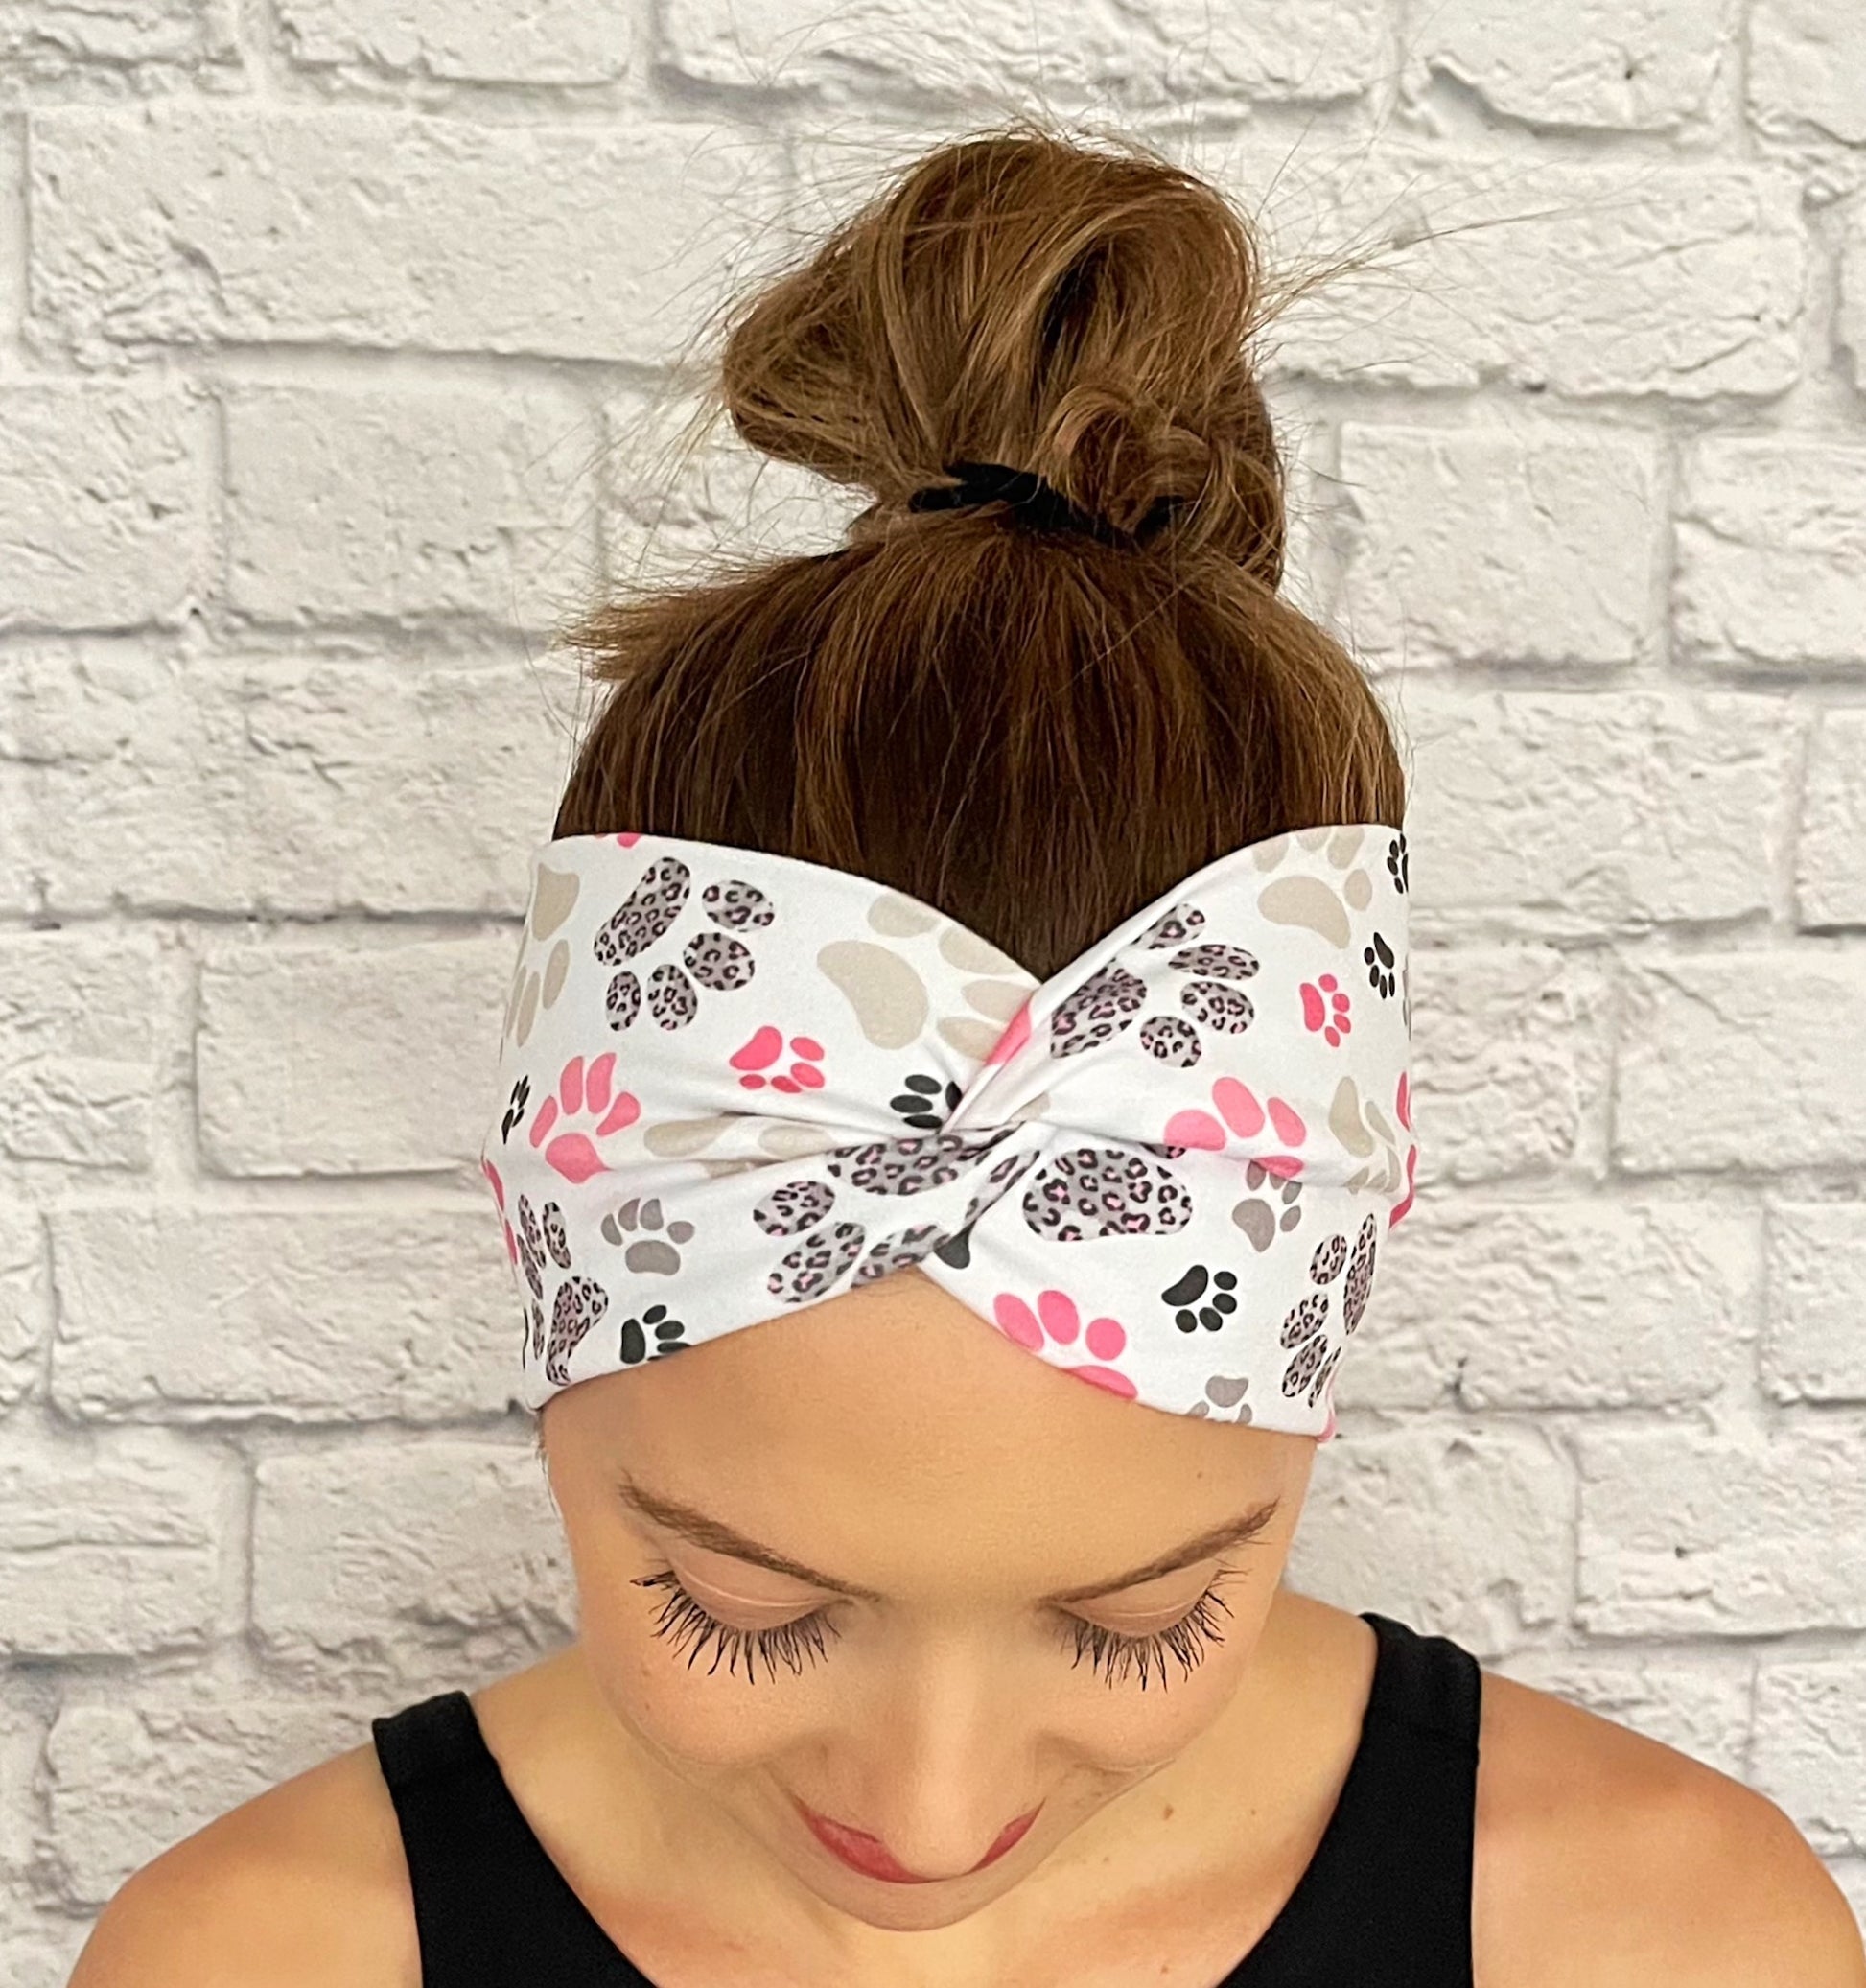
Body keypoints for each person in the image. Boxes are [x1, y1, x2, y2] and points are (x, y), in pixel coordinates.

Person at [71, 121, 1864, 1988]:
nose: (931, 1817)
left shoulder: (1659, 1940)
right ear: (540, 1296)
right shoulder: (261, 1960)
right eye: (740, 1606)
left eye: (1145, 1618)